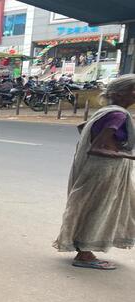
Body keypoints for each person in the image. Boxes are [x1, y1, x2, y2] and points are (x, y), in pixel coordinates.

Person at [54, 74, 135, 269]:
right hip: (105, 170)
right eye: (133, 90)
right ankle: (84, 255)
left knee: (90, 207)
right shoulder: (118, 115)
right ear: (120, 94)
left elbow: (83, 128)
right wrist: (127, 155)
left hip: (95, 168)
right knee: (99, 209)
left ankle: (83, 249)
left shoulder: (106, 111)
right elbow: (96, 147)